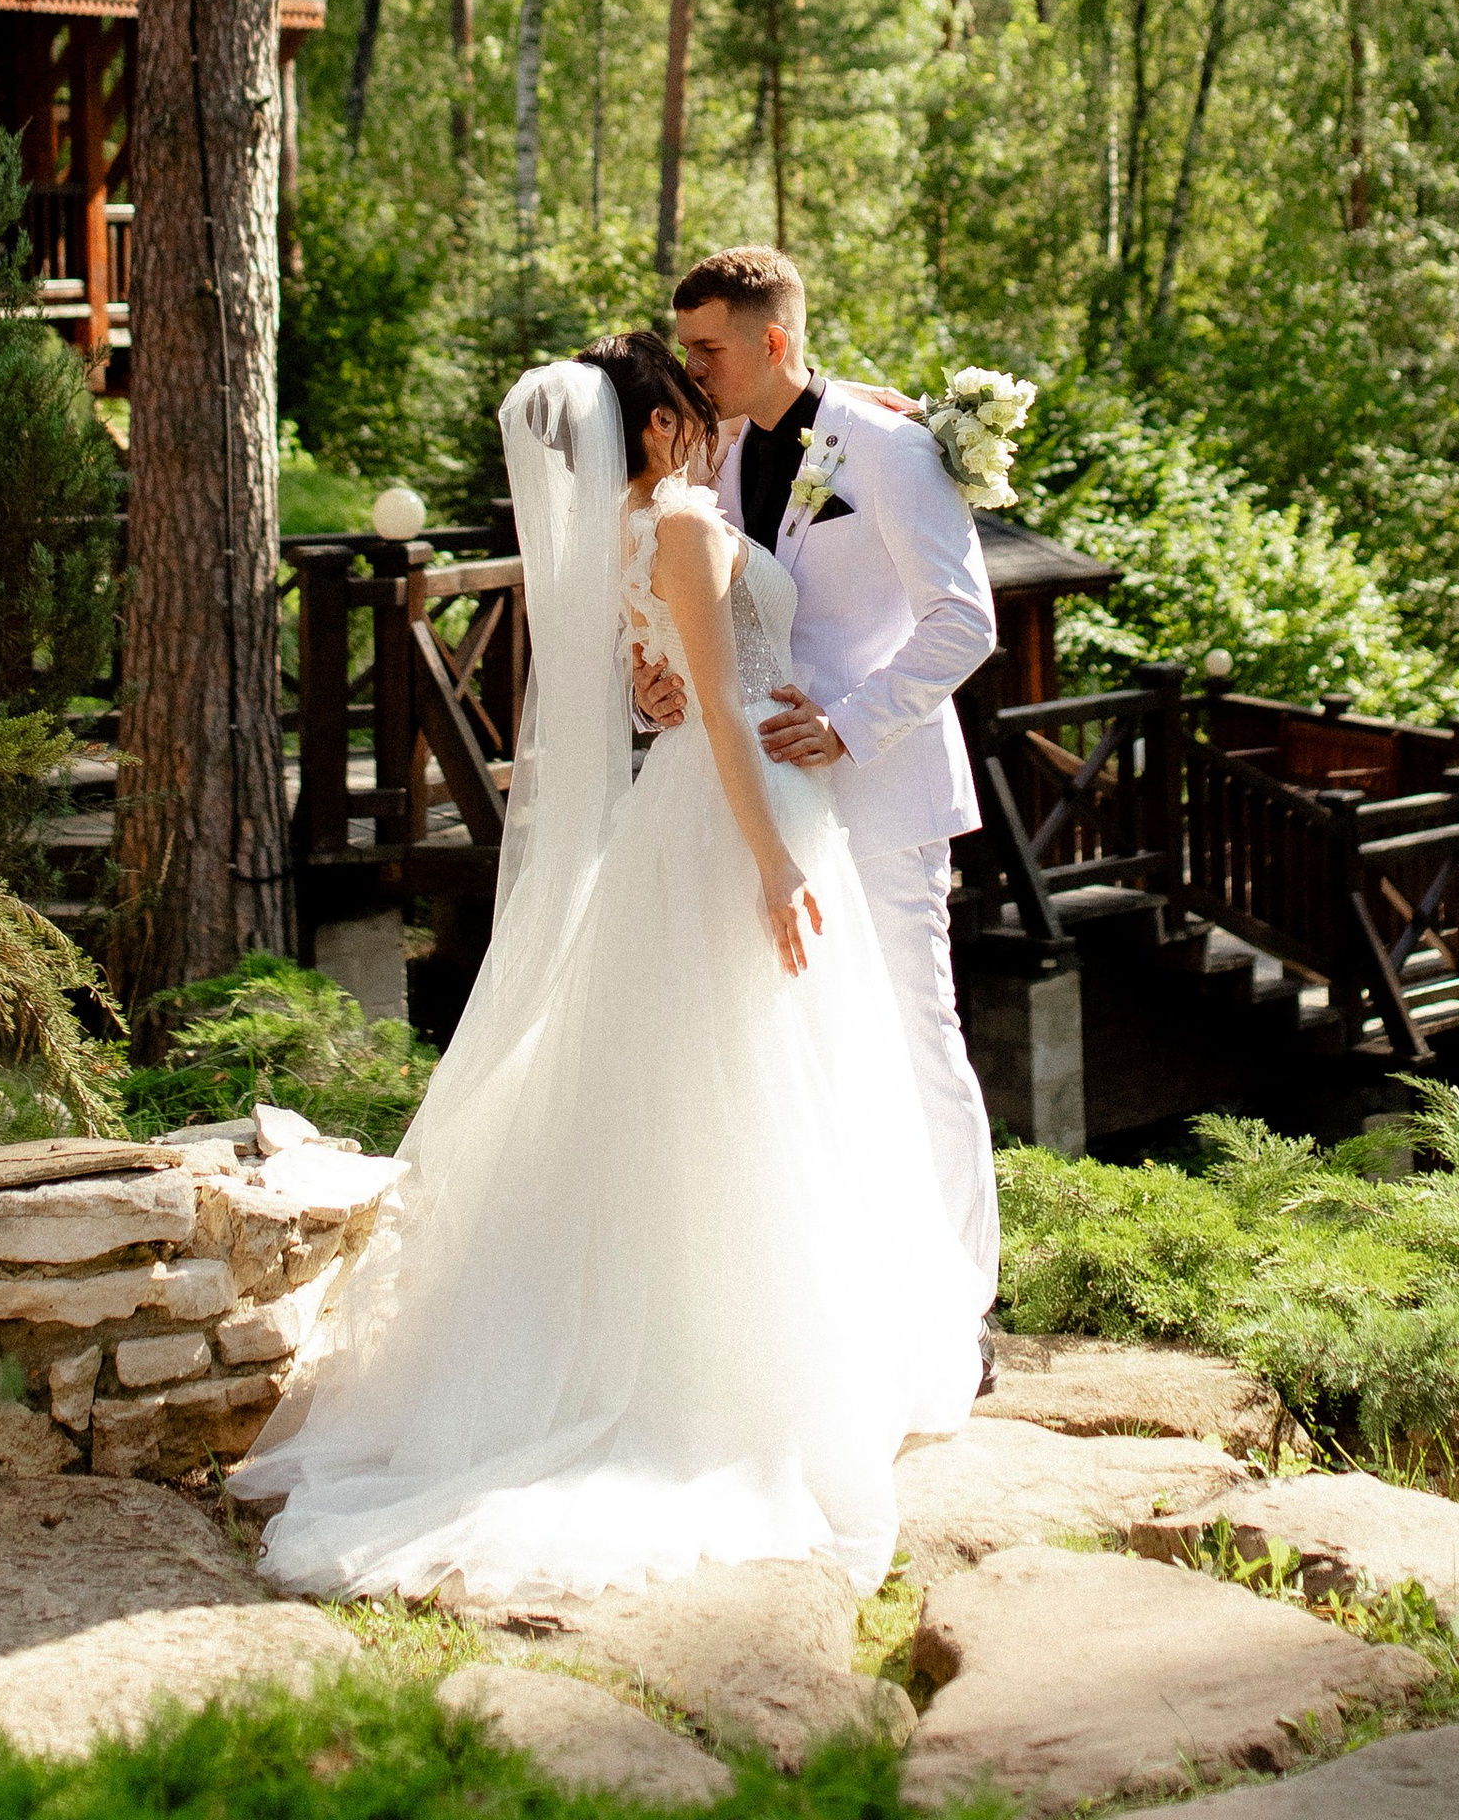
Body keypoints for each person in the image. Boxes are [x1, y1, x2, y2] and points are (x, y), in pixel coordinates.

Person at [235, 330, 979, 1606]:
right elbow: (726, 713)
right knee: (759, 1078)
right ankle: (744, 1370)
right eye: (690, 397)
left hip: (701, 803)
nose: (709, 413)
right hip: (739, 812)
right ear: (658, 426)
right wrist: (772, 861)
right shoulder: (682, 522)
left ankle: (778, 1337)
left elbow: (674, 680)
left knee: (734, 1078)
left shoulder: (634, 527)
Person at [643, 248, 1002, 1330]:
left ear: (775, 340)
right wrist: (656, 687)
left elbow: (964, 620)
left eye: (709, 348)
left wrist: (848, 725)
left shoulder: (888, 447)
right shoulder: (708, 456)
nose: (692, 369)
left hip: (882, 794)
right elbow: (711, 616)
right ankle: (848, 1303)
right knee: (800, 1049)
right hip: (758, 804)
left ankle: (961, 1308)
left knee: (913, 1036)